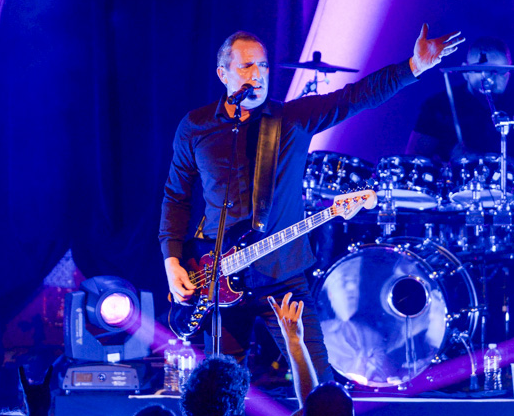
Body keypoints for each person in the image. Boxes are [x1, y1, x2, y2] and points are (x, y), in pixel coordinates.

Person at [160, 25, 464, 382]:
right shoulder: (195, 127)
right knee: (222, 390)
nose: (257, 74)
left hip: (282, 275)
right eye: (246, 66)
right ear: (222, 73)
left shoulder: (291, 119)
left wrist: (413, 66)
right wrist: (172, 260)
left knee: (320, 385)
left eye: (263, 65)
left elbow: (354, 97)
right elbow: (176, 197)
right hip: (215, 276)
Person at [405, 36, 514, 163]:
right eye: (481, 70)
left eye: (499, 71)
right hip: (453, 182)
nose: (490, 78)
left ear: (509, 72)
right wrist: (447, 165)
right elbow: (414, 159)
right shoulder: (439, 105)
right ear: (465, 72)